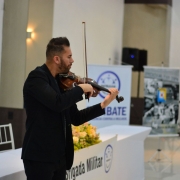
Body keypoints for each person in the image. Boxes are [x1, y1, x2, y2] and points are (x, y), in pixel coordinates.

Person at [21, 37, 119, 180]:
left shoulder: (61, 82)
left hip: (60, 158)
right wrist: (80, 89)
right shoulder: (37, 78)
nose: (72, 60)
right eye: (69, 56)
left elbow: (76, 118)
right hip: (40, 157)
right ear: (56, 59)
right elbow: (57, 103)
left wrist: (103, 105)